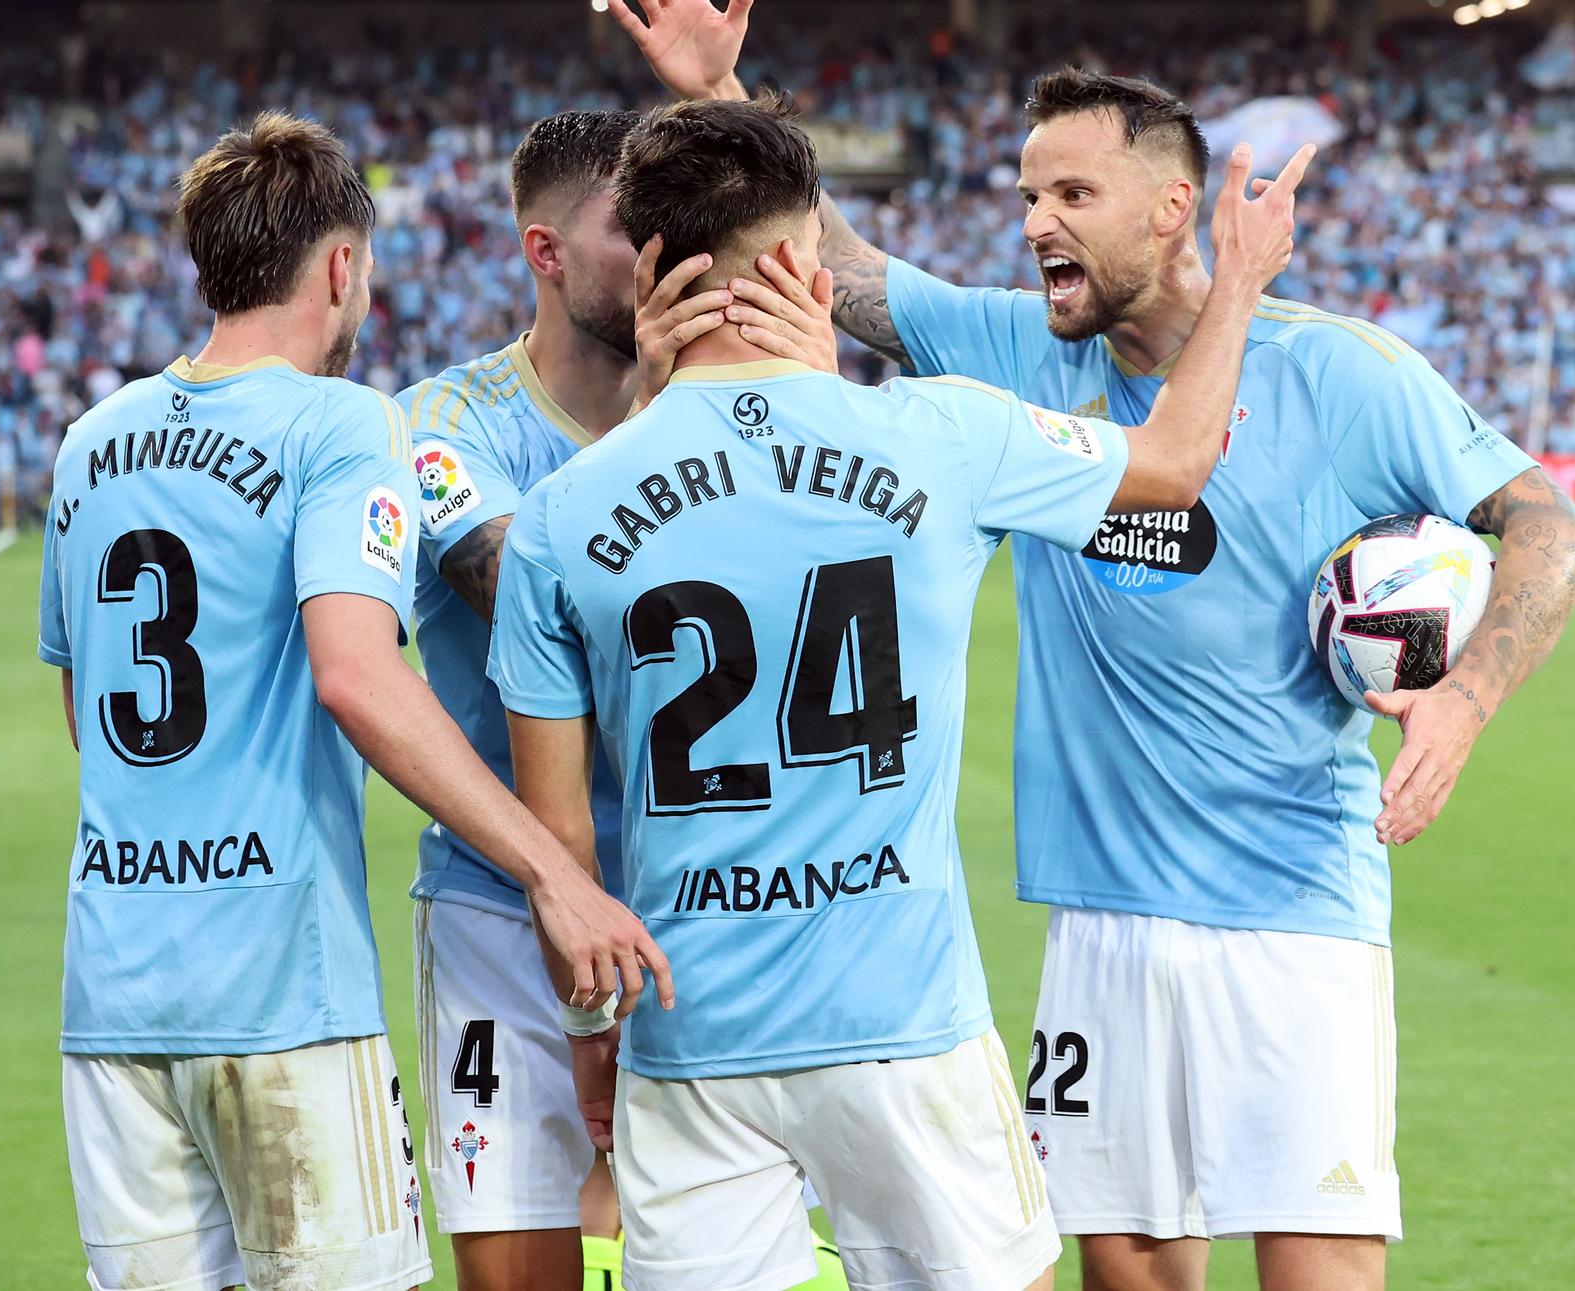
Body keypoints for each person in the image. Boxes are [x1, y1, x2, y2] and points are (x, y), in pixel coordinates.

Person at [609, 8, 1575, 1288]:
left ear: (1171, 209)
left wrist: (1463, 698)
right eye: (1027, 193)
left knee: (1320, 1268)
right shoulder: (1012, 351)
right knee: (1123, 1263)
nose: (1035, 223)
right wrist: (722, 87)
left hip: (1289, 904)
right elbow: (838, 268)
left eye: (1072, 192)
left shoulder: (1344, 377)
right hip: (1099, 918)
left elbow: (1547, 526)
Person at [486, 95, 1298, 1291]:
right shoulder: (937, 436)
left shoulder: (566, 511)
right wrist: (1237, 283)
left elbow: (560, 842)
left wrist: (591, 1038)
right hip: (901, 1019)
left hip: (691, 1031)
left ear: (653, 265)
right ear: (803, 269)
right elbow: (1175, 464)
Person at [36, 111, 667, 1291]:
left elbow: (89, 721)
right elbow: (358, 675)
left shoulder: (86, 442)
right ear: (341, 267)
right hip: (282, 981)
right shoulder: (345, 421)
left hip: (113, 990)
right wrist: (551, 868)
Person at [401, 107, 839, 1291]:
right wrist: (656, 423)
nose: (663, 249)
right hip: (506, 911)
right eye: (624, 227)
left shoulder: (759, 419)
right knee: (521, 1273)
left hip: (710, 906)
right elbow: (529, 595)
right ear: (543, 253)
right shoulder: (443, 426)